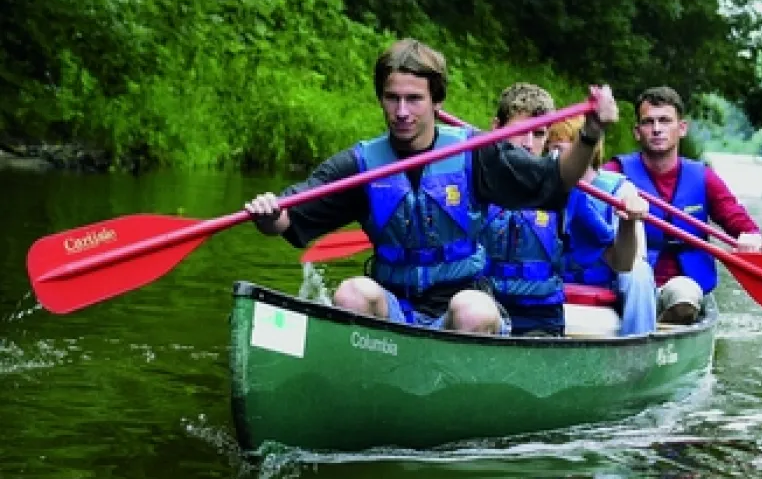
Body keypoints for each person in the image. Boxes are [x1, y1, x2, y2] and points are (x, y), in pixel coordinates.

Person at [244, 38, 619, 335]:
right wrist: (268, 215)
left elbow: (555, 182)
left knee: (472, 310)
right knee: (351, 293)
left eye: (414, 99)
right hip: (394, 308)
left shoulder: (476, 153)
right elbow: (290, 218)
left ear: (436, 102)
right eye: (392, 98)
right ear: (381, 99)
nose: (402, 111)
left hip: (462, 303)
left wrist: (591, 133)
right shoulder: (360, 165)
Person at [477, 83, 647, 337]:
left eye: (538, 134)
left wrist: (628, 223)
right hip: (484, 313)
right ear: (496, 128)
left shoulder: (569, 190)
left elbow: (621, 263)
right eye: (520, 131)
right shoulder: (472, 175)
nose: (527, 143)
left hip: (539, 321)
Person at [603, 86, 762, 324]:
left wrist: (753, 239)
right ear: (637, 132)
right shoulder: (615, 173)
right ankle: (647, 323)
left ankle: (665, 324)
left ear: (682, 129)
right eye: (648, 122)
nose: (657, 129)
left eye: (665, 121)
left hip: (683, 290)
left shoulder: (704, 178)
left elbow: (743, 225)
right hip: (629, 285)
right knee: (638, 282)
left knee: (684, 295)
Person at [546, 116, 657, 336]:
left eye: (561, 148)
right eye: (551, 149)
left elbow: (630, 261)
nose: (554, 157)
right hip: (551, 284)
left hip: (606, 284)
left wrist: (630, 219)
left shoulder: (620, 191)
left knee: (639, 272)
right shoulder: (541, 187)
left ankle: (638, 343)